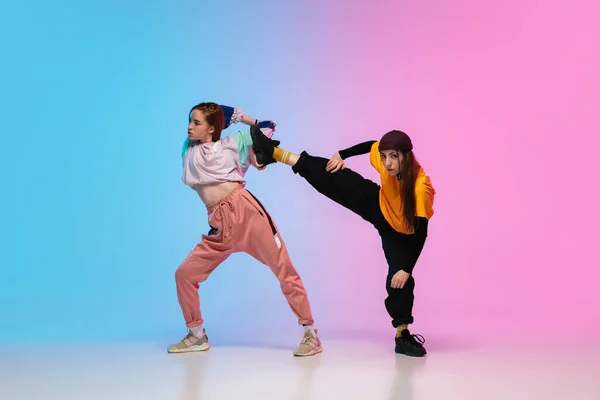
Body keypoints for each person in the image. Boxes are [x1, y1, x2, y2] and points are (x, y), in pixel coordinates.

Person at [251, 128, 434, 356]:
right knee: (336, 176)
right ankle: (274, 153)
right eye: (385, 156)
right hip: (380, 204)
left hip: (403, 234)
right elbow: (371, 145)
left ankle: (402, 335)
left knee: (399, 281)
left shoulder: (420, 187)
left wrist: (406, 268)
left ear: (406, 155)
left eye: (393, 156)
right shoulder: (386, 159)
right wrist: (341, 155)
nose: (387, 162)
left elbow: (421, 233)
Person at [168, 102, 322, 357]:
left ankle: (311, 334)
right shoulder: (189, 149)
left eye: (196, 122)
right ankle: (196, 335)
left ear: (211, 128)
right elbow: (215, 112)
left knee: (284, 270)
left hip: (247, 215)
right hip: (220, 225)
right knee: (184, 275)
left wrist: (242, 119)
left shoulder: (232, 144)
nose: (189, 126)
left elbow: (266, 127)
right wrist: (218, 117)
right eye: (190, 120)